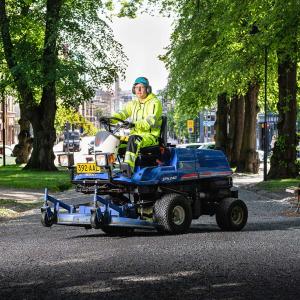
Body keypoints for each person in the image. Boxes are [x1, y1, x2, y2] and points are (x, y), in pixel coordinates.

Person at [112, 77, 162, 171]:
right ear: (133, 89)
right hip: (136, 136)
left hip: (151, 137)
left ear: (147, 89)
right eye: (136, 87)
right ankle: (108, 168)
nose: (138, 90)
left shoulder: (155, 103)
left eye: (141, 87)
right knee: (116, 142)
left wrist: (133, 124)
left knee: (134, 139)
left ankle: (128, 169)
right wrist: (111, 119)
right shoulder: (133, 103)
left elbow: (150, 122)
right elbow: (123, 113)